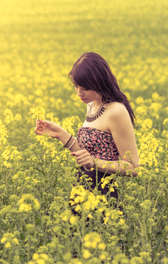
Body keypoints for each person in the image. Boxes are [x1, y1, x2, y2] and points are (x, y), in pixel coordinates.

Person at [34, 52, 139, 223]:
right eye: (76, 86)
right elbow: (85, 156)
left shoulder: (117, 111)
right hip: (80, 192)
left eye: (85, 88)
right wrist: (60, 134)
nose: (79, 93)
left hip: (103, 197)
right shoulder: (92, 106)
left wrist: (94, 162)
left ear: (99, 82)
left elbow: (133, 167)